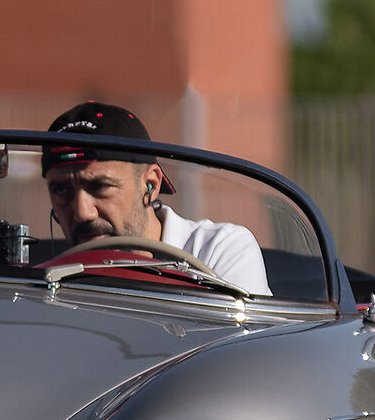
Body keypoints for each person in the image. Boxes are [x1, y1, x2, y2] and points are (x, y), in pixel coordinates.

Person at [41, 101, 271, 295]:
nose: (82, 211)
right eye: (61, 190)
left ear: (151, 184)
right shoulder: (43, 276)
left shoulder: (216, 250)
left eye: (101, 186)